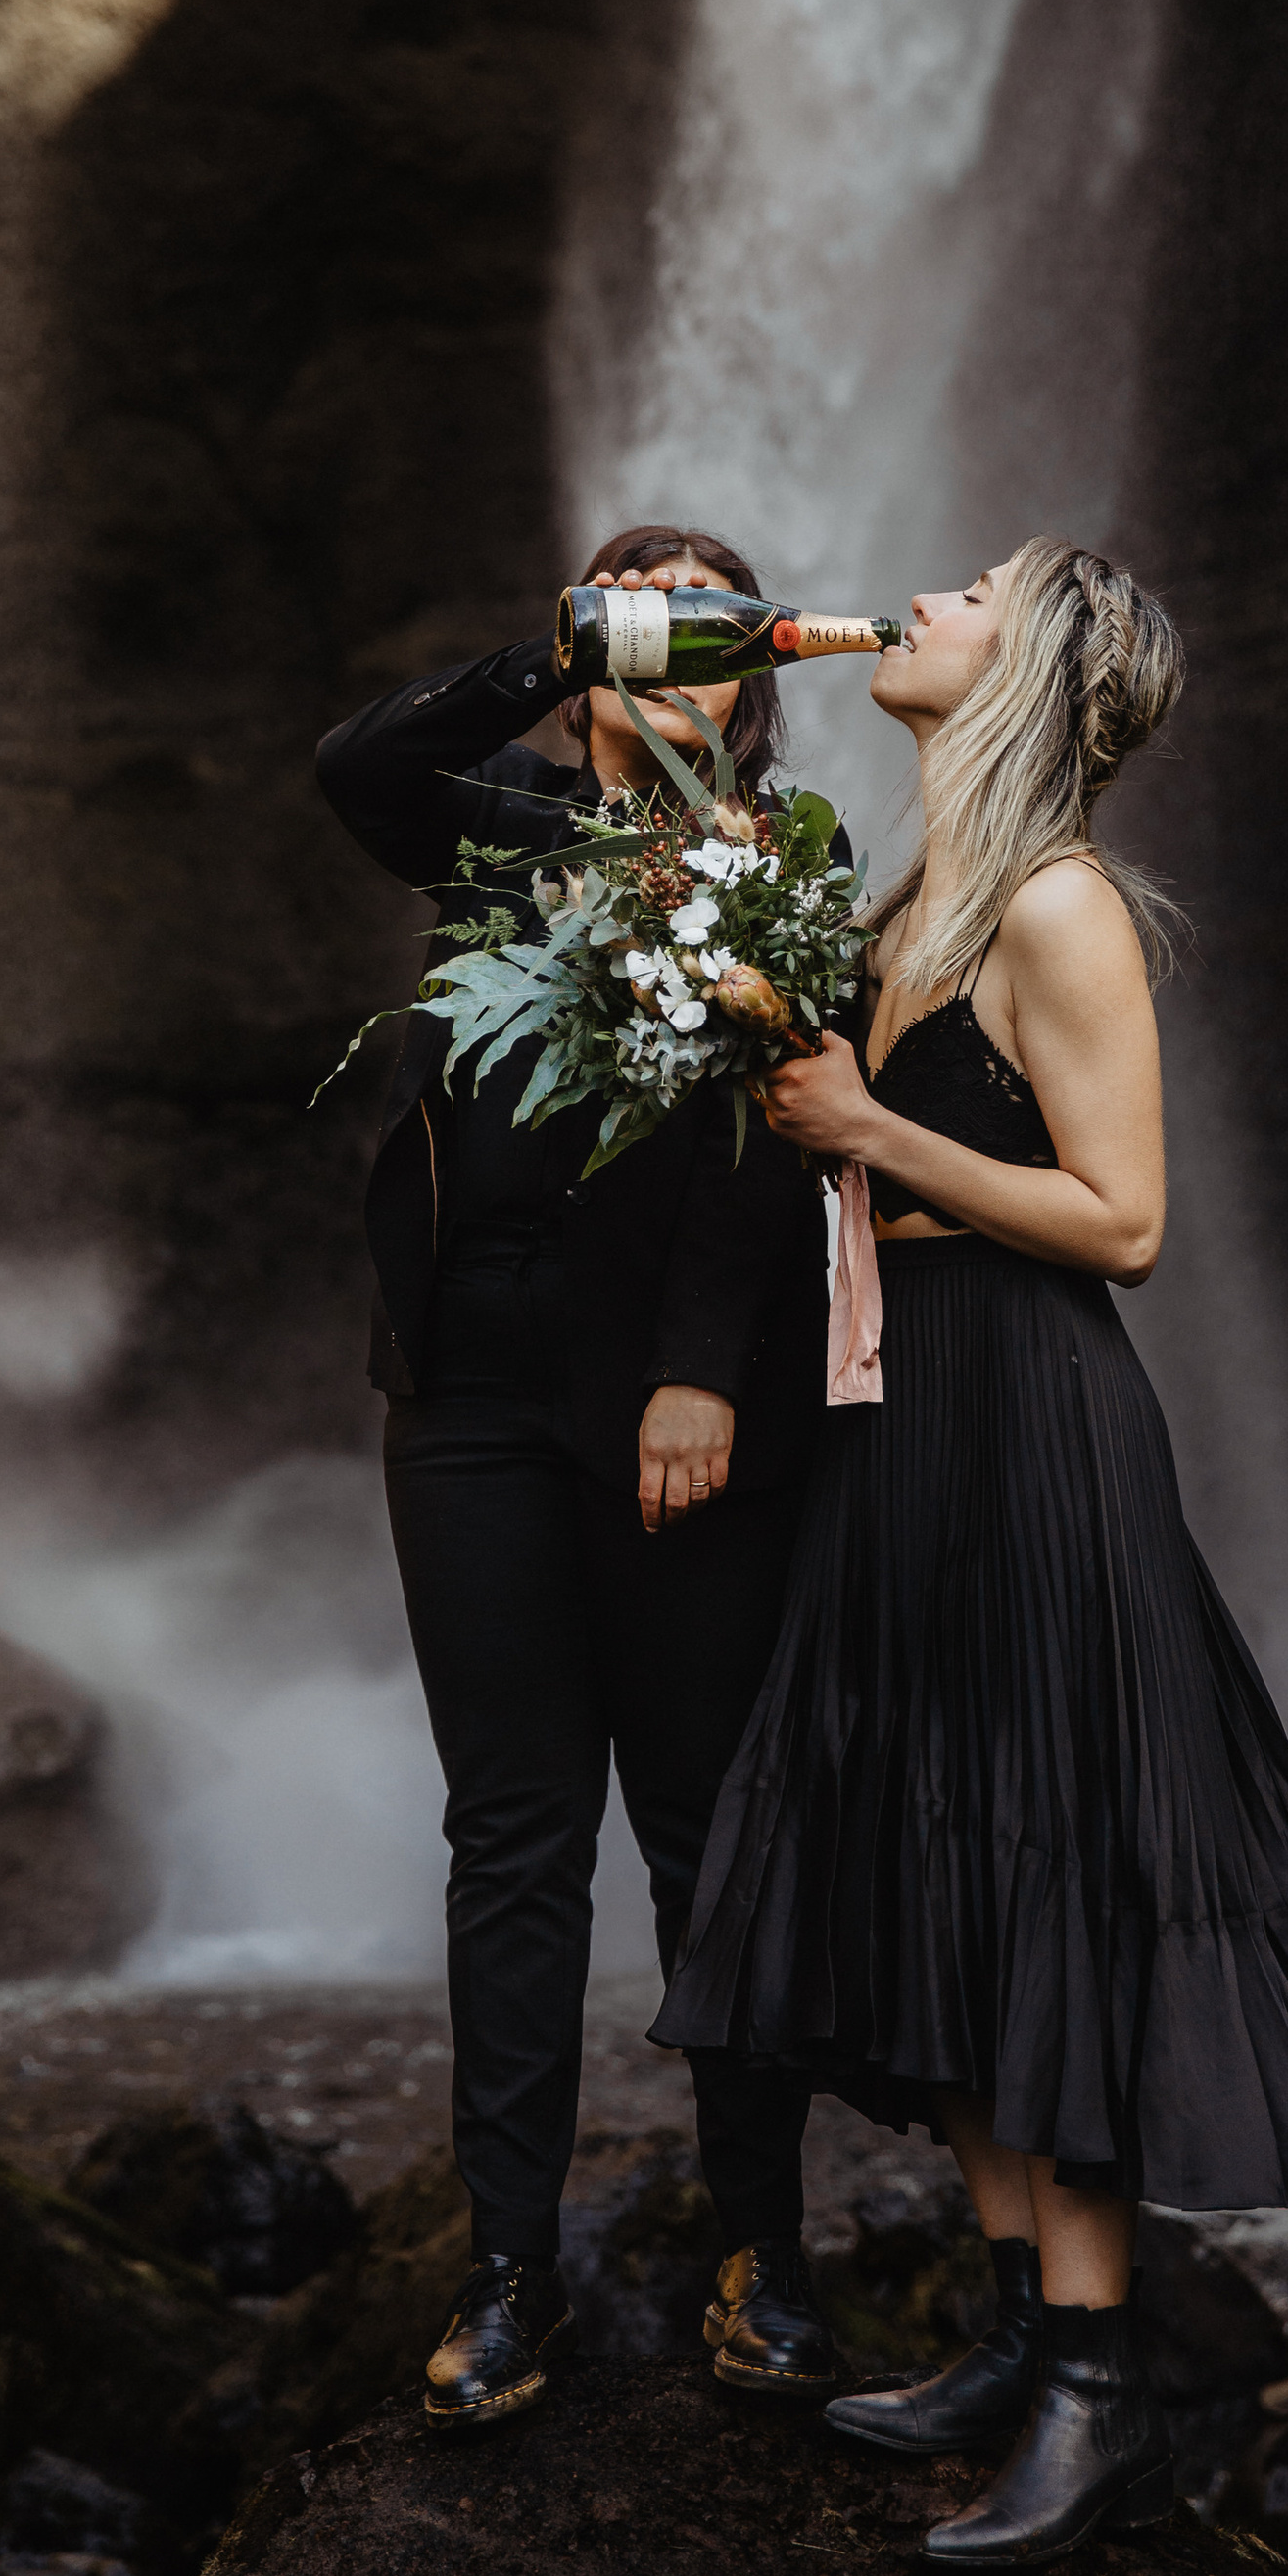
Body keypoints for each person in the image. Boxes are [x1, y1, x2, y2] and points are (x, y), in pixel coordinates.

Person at [655, 537, 1288, 2567]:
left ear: (1027, 672)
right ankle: (1019, 2336)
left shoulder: (1057, 904)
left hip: (1024, 1416)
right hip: (894, 1408)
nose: (918, 601)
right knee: (943, 1844)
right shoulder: (911, 902)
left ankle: (1098, 2393)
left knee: (1048, 1855)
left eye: (970, 593)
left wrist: (872, 1131)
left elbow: (1120, 1222)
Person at [315, 526, 842, 2432]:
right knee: (513, 1836)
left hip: (681, 1405)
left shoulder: (785, 859)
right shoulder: (507, 828)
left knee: (709, 1837)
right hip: (465, 1390)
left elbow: (768, 1142)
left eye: (705, 633)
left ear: (752, 683)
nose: (667, 664)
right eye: (640, 626)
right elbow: (355, 769)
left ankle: (764, 2250)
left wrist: (702, 1372)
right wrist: (548, 654)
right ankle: (510, 2264)